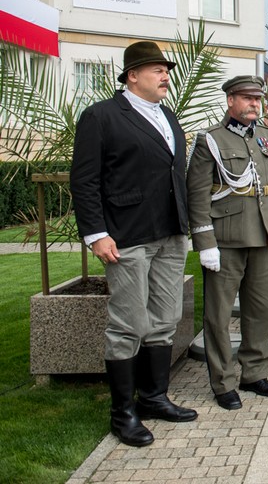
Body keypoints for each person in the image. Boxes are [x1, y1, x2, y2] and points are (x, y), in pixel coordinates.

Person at [70, 41, 196, 447]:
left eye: (166, 70)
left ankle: (154, 398)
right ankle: (122, 414)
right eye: (157, 70)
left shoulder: (168, 116)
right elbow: (85, 181)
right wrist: (96, 233)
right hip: (126, 236)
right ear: (132, 76)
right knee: (128, 324)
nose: (165, 76)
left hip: (170, 233)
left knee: (165, 318)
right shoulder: (102, 116)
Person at [185, 76, 268, 410]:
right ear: (230, 100)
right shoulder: (210, 140)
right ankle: (223, 381)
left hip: (261, 238)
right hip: (225, 240)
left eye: (257, 99)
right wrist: (204, 241)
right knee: (218, 315)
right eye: (246, 98)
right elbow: (197, 195)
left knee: (261, 312)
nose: (254, 104)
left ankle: (254, 373)